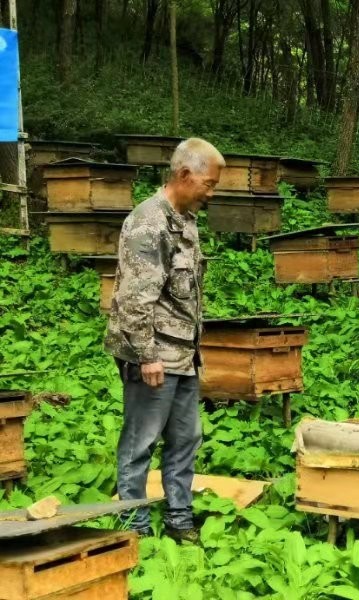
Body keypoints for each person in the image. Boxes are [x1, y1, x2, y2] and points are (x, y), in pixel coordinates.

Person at [104, 137, 225, 542]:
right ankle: (133, 526)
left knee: (186, 438)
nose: (212, 192)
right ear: (185, 174)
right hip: (153, 354)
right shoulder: (148, 222)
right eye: (209, 183)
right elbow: (134, 298)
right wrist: (146, 355)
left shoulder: (184, 219)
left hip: (183, 352)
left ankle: (179, 519)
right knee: (141, 441)